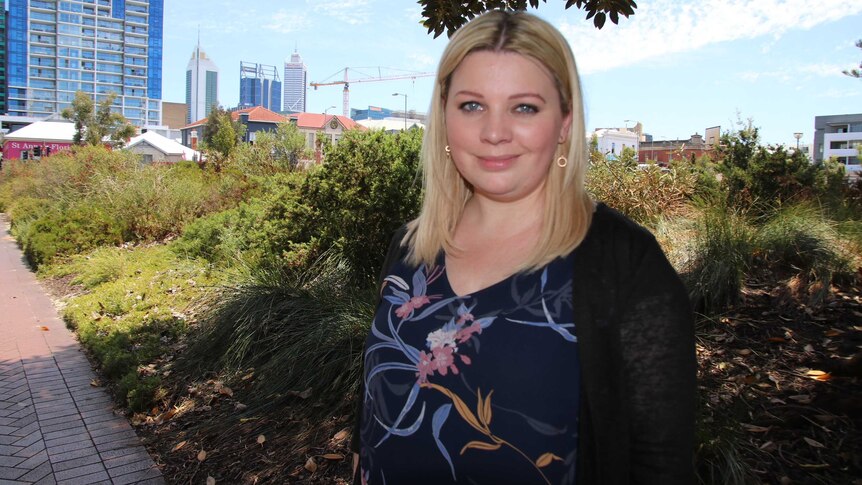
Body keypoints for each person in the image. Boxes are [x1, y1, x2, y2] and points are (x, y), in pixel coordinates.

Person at [351, 10, 695, 484]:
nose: (495, 132)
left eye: (524, 107)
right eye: (472, 105)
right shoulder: (411, 248)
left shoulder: (625, 264)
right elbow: (377, 405)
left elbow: (660, 463)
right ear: (445, 114)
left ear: (566, 122)